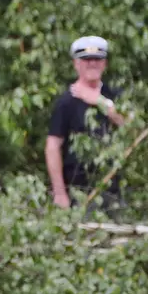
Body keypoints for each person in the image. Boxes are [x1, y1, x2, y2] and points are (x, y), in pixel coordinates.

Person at [45, 35, 130, 209]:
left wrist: (100, 102)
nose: (92, 64)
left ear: (104, 64)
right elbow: (52, 147)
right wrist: (60, 193)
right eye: (86, 60)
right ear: (76, 64)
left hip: (112, 188)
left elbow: (131, 127)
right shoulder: (66, 102)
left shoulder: (114, 95)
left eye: (97, 60)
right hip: (78, 191)